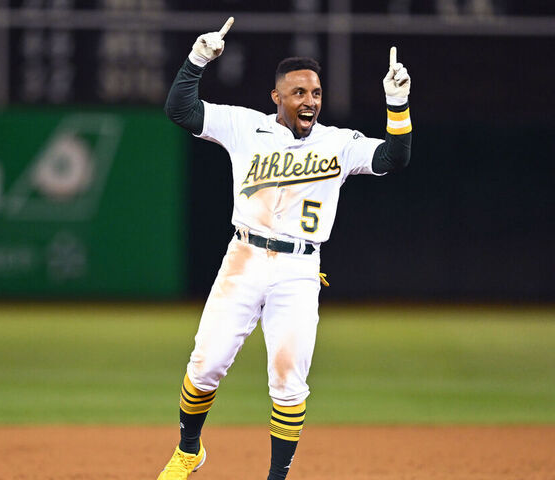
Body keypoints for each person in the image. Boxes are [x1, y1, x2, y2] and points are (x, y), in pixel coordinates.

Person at [158, 16, 412, 480]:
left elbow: (395, 157)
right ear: (277, 98)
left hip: (299, 270)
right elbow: (181, 111)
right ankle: (189, 449)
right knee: (206, 362)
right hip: (244, 258)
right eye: (298, 93)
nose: (309, 101)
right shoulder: (244, 126)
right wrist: (197, 60)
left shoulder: (339, 143)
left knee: (289, 380)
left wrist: (397, 103)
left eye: (315, 93)